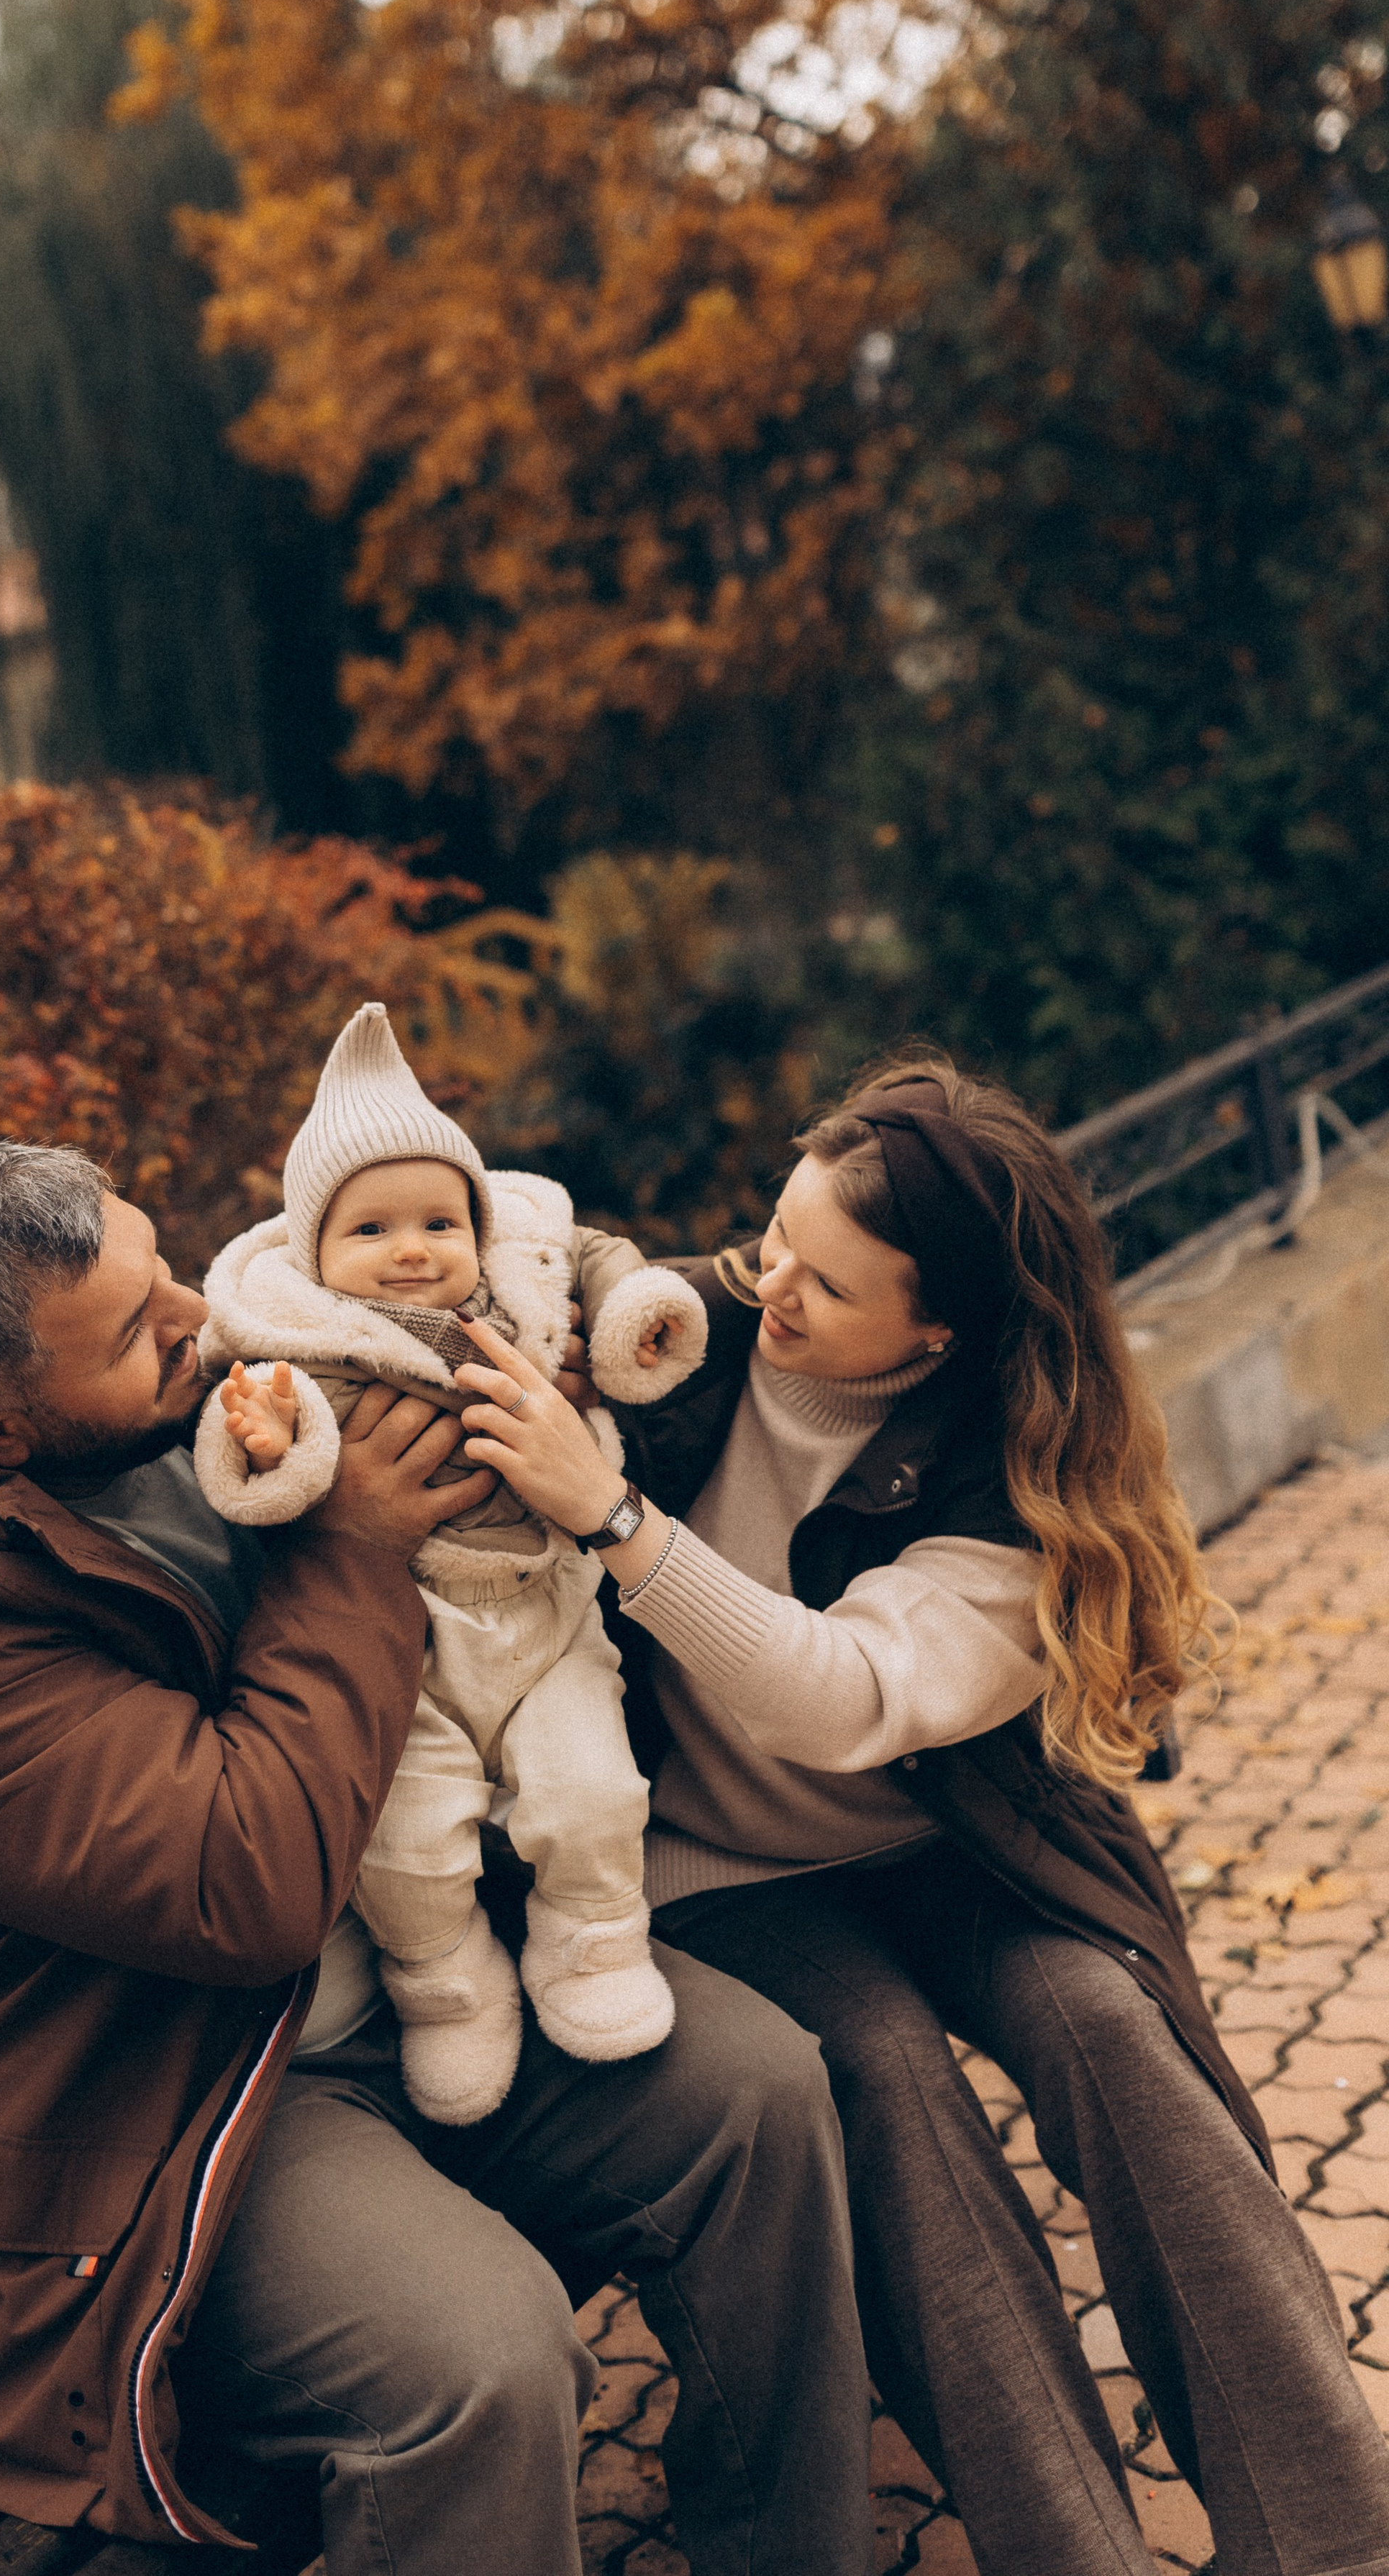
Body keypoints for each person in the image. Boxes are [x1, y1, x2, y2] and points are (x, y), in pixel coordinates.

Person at [0, 1136, 876, 2576]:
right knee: (481, 2358)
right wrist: (349, 1547)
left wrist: (549, 1364)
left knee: (757, 2095)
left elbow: (460, 1265)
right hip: (151, 2119)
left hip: (392, 1983)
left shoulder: (153, 1398)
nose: (191, 1312)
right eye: (132, 1328)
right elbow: (247, 1886)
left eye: (158, 1262)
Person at [450, 1052, 1389, 2576]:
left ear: (935, 1332)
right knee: (883, 2074)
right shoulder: (675, 1340)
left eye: (823, 1280)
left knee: (1106, 2024)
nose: (772, 1290)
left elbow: (831, 1694)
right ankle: (1067, 2546)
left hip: (954, 1839)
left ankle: (1322, 2531)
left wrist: (613, 1520)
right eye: (771, 1237)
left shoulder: (1015, 1473)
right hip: (719, 1868)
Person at [196, 1001, 705, 2122]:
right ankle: (446, 1985)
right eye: (370, 1231)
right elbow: (250, 1448)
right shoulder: (293, 1338)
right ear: (312, 1250)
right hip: (407, 1638)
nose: (413, 1248)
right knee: (408, 1839)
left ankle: (595, 1946)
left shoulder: (526, 1273)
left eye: (439, 1219)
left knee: (591, 1787)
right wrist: (274, 1445)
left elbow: (603, 1259)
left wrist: (633, 1317)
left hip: (543, 1608)